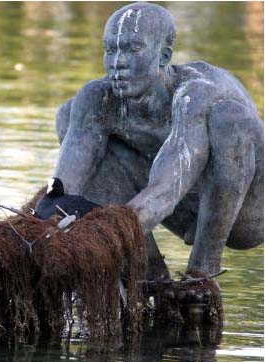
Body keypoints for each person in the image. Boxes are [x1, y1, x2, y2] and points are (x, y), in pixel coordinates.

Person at [35, 2, 263, 285]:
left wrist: (107, 236)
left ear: (164, 55)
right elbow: (64, 190)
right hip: (177, 209)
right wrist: (37, 229)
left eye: (133, 49)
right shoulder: (99, 100)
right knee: (69, 114)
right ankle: (146, 272)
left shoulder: (194, 95)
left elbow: (167, 186)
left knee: (230, 118)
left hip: (244, 213)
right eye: (110, 50)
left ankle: (202, 273)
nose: (117, 62)